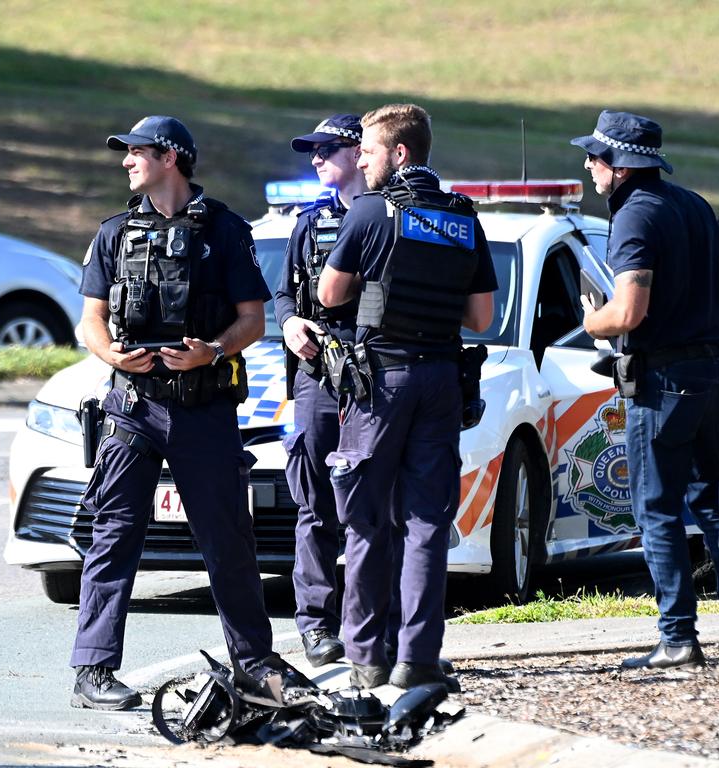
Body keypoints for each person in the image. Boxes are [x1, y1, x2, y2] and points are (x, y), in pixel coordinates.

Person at [70, 115, 300, 710]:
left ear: (170, 157)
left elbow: (252, 317)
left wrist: (212, 351)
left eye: (136, 152)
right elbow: (90, 318)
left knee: (227, 539)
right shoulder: (115, 232)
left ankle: (254, 663)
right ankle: (93, 672)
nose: (126, 162)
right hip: (132, 406)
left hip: (203, 409)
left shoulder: (224, 230)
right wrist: (110, 352)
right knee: (113, 535)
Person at [316, 104, 496, 691]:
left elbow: (330, 293)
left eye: (367, 151)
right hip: (442, 378)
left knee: (365, 519)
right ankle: (418, 658)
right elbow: (481, 315)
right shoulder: (464, 217)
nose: (360, 160)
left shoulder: (369, 212)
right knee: (426, 522)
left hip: (380, 381)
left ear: (400, 154)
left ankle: (367, 657)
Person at [574, 110, 719, 669]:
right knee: (711, 501)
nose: (588, 165)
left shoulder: (635, 215)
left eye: (595, 157)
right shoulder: (695, 206)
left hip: (662, 381)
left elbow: (631, 310)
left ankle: (677, 637)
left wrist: (593, 321)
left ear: (619, 164)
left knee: (655, 507)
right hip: (709, 373)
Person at [273, 114, 366, 668]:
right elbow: (284, 295)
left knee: (369, 507)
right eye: (311, 150)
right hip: (317, 378)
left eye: (326, 149)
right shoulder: (309, 224)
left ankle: (366, 623)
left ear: (359, 151)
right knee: (314, 506)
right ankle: (315, 625)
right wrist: (288, 324)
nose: (315, 158)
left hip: (375, 375)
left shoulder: (388, 216)